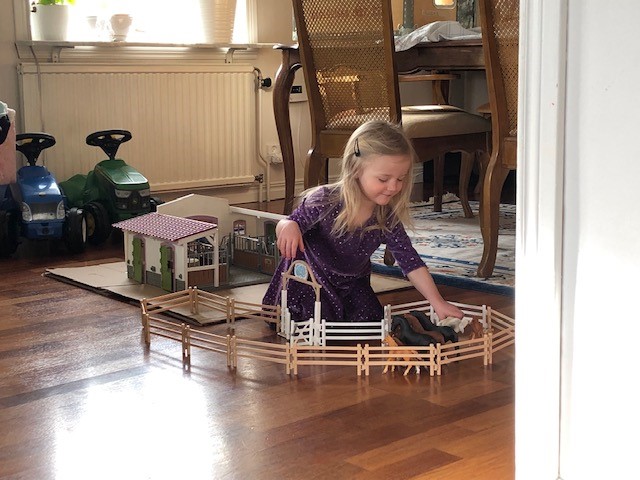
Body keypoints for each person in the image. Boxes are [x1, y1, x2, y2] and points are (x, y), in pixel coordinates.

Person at [262, 120, 463, 323]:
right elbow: (289, 223)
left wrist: (438, 302)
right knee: (313, 322)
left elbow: (411, 262)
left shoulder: (387, 216)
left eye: (400, 179)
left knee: (372, 320)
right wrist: (288, 225)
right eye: (383, 179)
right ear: (356, 169)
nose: (393, 187)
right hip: (310, 279)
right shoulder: (324, 200)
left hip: (351, 284)